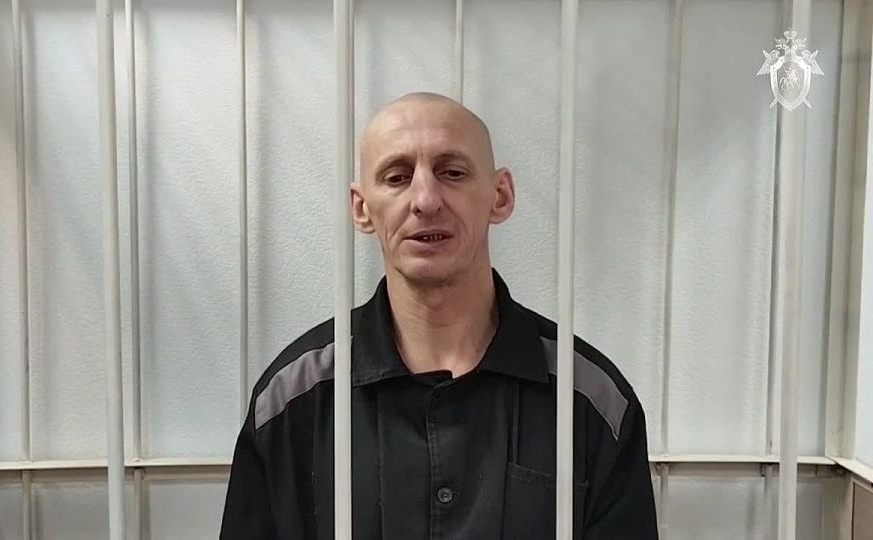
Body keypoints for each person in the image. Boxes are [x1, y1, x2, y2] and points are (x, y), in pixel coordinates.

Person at [220, 92, 658, 539]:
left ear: (500, 196)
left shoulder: (591, 401)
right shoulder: (292, 402)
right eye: (397, 177)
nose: (426, 200)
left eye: (452, 172)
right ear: (361, 208)